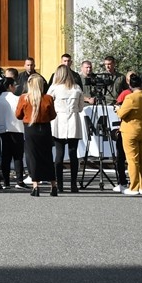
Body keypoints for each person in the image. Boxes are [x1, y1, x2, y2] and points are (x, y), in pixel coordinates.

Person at [15, 75, 58, 197]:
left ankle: (35, 186)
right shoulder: (48, 98)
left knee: (33, 157)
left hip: (30, 128)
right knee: (47, 157)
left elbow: (18, 115)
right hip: (44, 128)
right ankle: (53, 185)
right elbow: (53, 115)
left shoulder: (24, 98)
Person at [48, 64, 85, 193]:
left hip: (59, 120)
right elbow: (81, 108)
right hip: (73, 119)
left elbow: (48, 104)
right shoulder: (77, 88)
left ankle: (59, 184)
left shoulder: (54, 89)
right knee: (73, 153)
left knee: (59, 153)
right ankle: (73, 184)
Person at [116, 73, 142, 195]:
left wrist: (117, 109)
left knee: (132, 159)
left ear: (130, 85)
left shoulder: (130, 98)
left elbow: (122, 114)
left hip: (130, 129)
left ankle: (134, 187)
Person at [0, 72, 26, 189]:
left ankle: (6, 182)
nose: (16, 87)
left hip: (2, 130)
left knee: (5, 157)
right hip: (17, 129)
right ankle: (19, 180)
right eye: (14, 85)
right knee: (18, 157)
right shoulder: (18, 99)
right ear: (10, 86)